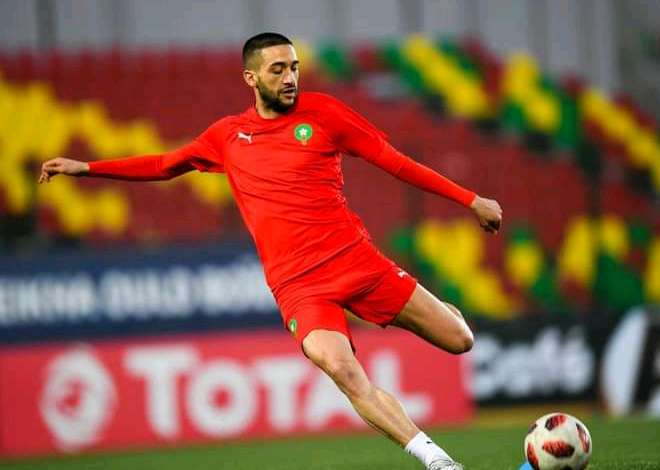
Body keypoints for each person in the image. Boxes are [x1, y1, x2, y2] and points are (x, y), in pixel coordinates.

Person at [39, 32, 502, 470]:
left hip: (356, 261)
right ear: (251, 77)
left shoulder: (325, 114)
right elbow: (164, 164)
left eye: (294, 67)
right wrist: (88, 168)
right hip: (299, 287)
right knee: (341, 368)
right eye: (277, 69)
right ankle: (435, 459)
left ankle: (443, 312)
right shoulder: (227, 136)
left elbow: (396, 163)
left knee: (459, 340)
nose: (290, 78)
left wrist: (469, 200)